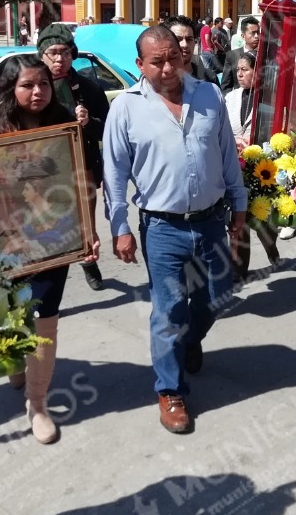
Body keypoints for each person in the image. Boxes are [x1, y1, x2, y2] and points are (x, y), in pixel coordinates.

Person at [103, 26, 247, 433]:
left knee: (216, 299)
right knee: (168, 311)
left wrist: (239, 205)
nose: (168, 68)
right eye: (157, 61)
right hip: (162, 228)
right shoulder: (125, 108)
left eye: (173, 58)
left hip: (211, 221)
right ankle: (170, 390)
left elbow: (225, 156)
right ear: (140, 65)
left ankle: (187, 341)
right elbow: (114, 175)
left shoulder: (208, 95)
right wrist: (120, 227)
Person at [0, 55, 99, 443]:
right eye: (27, 85)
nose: (37, 92)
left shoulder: (65, 125)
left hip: (54, 237)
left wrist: (88, 229)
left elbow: (83, 176)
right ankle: (14, 363)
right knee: (7, 311)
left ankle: (37, 404)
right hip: (4, 238)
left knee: (43, 318)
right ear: (10, 88)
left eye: (42, 83)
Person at [36, 23, 109, 292]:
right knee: (44, 227)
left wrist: (89, 122)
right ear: (41, 54)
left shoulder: (88, 88)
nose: (59, 58)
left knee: (84, 224)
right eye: (53, 52)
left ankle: (89, 261)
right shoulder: (29, 86)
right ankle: (43, 278)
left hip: (81, 167)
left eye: (65, 52)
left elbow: (107, 130)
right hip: (41, 172)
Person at [226, 51, 280, 278]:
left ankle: (270, 245)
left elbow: (276, 130)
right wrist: (233, 141)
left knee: (262, 216)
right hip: (233, 166)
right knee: (240, 218)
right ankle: (239, 269)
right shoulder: (229, 97)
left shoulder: (268, 99)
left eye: (245, 69)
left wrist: (253, 144)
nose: (240, 74)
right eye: (238, 69)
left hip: (260, 167)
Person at [166, 17, 218, 85]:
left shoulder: (210, 79)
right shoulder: (157, 79)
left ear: (194, 42)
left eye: (189, 39)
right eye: (178, 39)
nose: (184, 45)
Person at [221, 16, 260, 93]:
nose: (257, 36)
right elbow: (225, 86)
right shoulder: (232, 55)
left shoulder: (265, 55)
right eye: (252, 33)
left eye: (258, 32)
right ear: (243, 36)